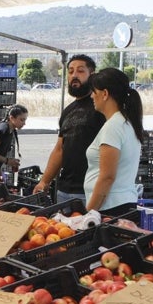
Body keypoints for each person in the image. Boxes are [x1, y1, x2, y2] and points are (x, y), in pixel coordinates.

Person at [35, 55, 104, 204]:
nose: (74, 76)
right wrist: (44, 181)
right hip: (64, 190)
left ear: (92, 75)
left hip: (90, 191)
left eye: (80, 71)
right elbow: (59, 149)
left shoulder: (100, 107)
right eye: (71, 71)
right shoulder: (67, 111)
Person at [83, 67, 146, 217]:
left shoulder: (113, 127)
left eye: (94, 92)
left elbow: (107, 177)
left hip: (111, 208)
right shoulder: (125, 122)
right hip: (120, 205)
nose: (92, 96)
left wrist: (89, 213)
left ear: (105, 94)